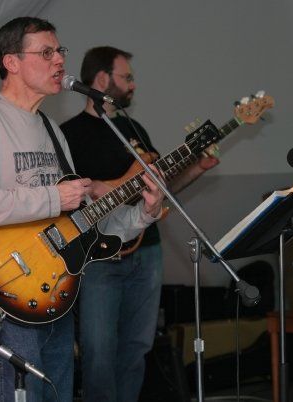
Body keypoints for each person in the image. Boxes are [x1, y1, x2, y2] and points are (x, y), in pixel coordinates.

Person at [0, 19, 164, 402]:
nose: (59, 61)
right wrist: (52, 198)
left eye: (59, 51)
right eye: (46, 52)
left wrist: (144, 214)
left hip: (58, 294)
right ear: (11, 62)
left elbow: (87, 223)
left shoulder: (53, 131)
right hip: (11, 288)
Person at [60, 46, 219, 402]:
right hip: (98, 258)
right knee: (98, 351)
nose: (133, 85)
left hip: (146, 251)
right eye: (127, 77)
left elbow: (160, 190)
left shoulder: (133, 129)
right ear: (102, 78)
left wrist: (197, 167)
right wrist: (98, 188)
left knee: (137, 348)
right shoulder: (68, 134)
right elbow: (65, 198)